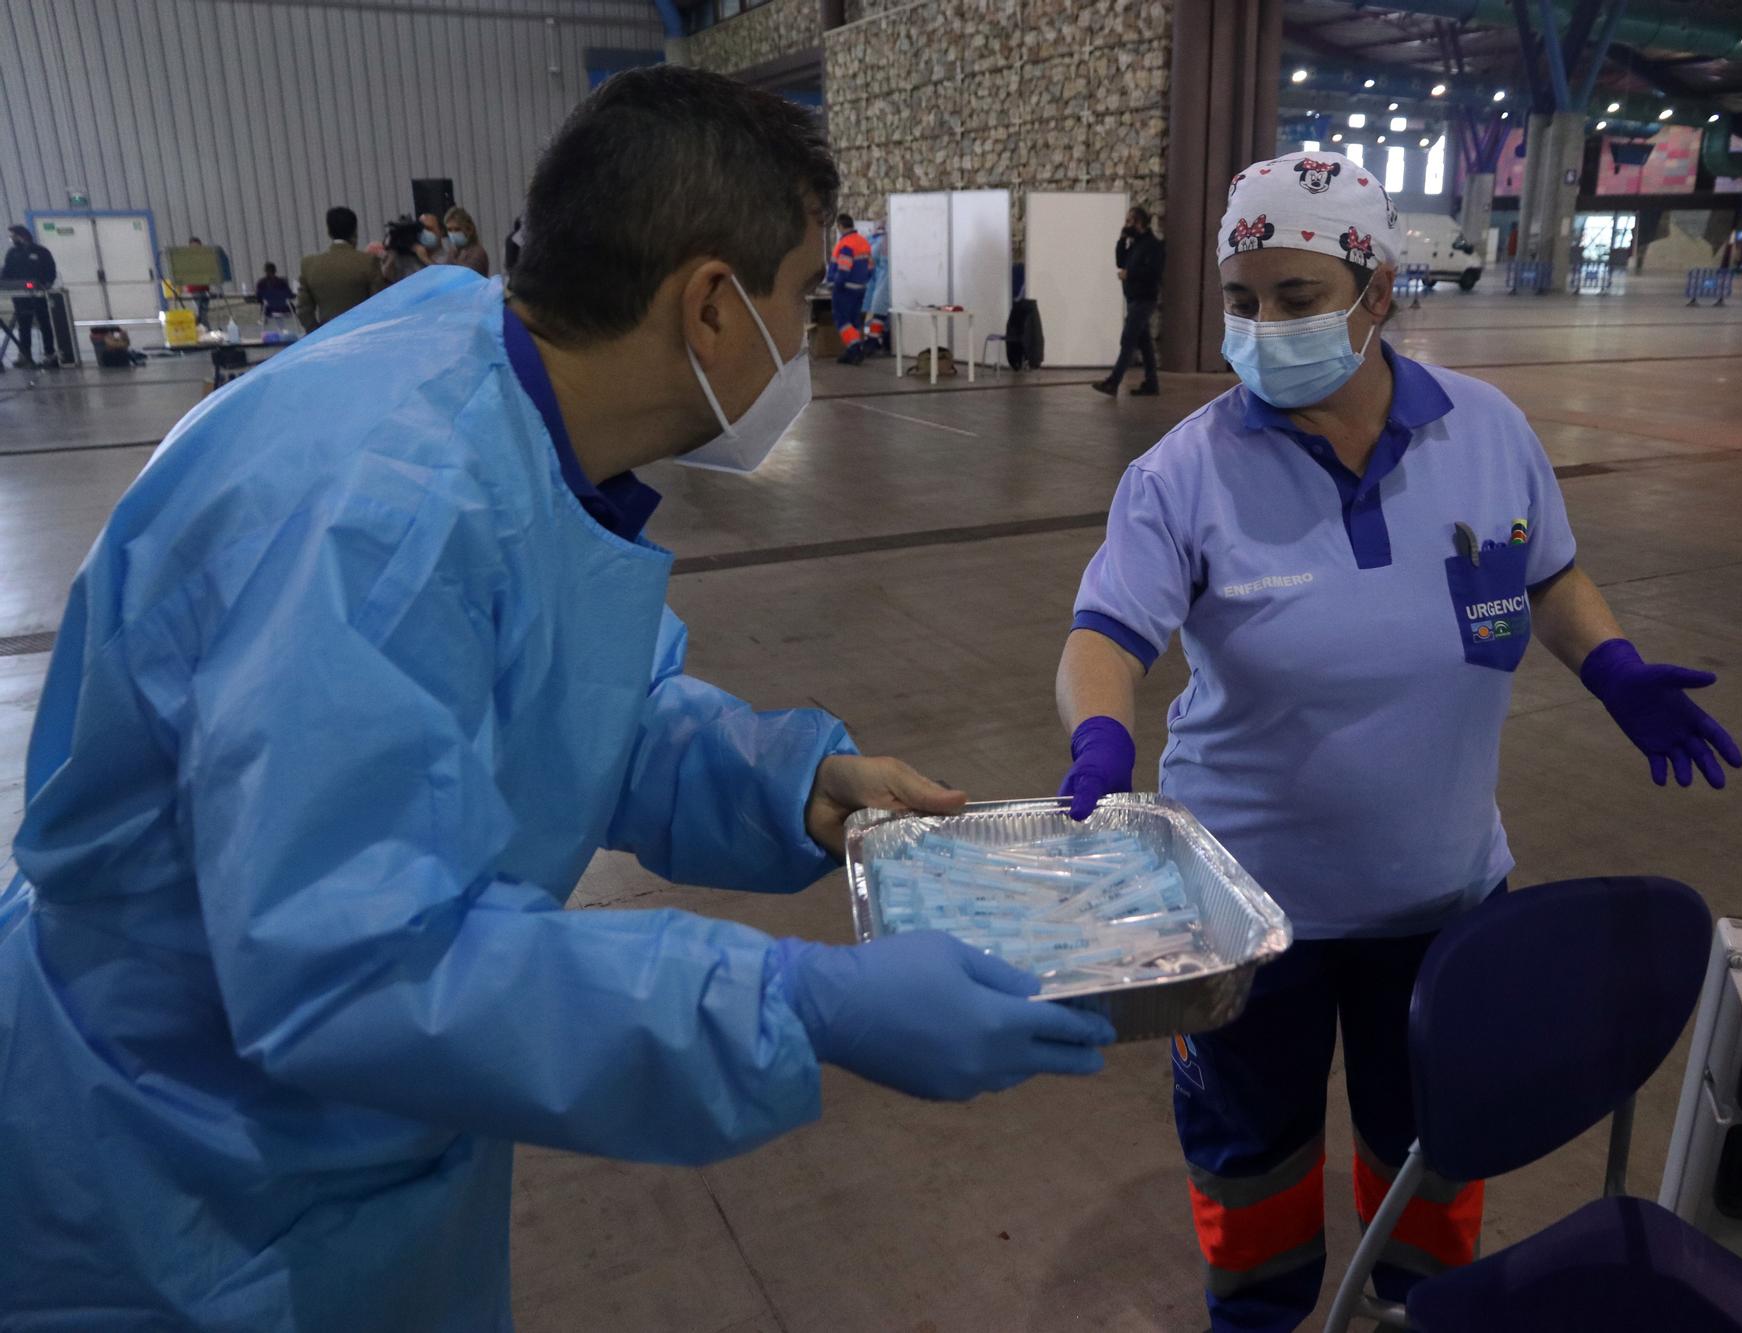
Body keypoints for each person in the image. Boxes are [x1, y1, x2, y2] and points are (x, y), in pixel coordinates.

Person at [0, 65, 1116, 1331]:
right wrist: (794, 1005)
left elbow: (561, 701)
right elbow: (355, 972)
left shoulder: (485, 383)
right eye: (800, 298)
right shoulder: (379, 521)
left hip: (344, 1148)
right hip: (190, 1182)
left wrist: (786, 781)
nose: (807, 337)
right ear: (708, 305)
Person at [1054, 153, 1742, 1332]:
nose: (1261, 327)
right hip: (1243, 916)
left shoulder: (1487, 430)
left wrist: (1612, 663)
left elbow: (1547, 571)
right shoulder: (1185, 472)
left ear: (1377, 292)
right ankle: (1259, 1318)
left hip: (1440, 897)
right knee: (1250, 1151)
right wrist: (1101, 738)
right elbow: (1102, 636)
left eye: (1296, 296)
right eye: (1241, 298)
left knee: (1430, 1143)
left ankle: (1414, 1312)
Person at [1093, 206, 1164, 397]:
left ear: (1139, 222)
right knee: (1145, 344)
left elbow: (1154, 273)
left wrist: (1130, 274)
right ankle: (1152, 384)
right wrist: (1122, 239)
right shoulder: (1135, 244)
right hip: (1133, 299)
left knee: (1128, 339)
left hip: (1144, 300)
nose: (1126, 225)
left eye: (1129, 222)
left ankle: (1113, 382)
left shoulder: (1153, 245)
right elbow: (1120, 261)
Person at [296, 205, 385, 332]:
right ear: (355, 231)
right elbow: (378, 304)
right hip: (362, 334)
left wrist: (316, 332)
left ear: (329, 232)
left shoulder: (309, 264)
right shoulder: (368, 261)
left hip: (328, 337)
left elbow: (303, 309)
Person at [2, 224, 59, 368]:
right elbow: (6, 272)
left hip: (38, 294)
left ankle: (49, 354)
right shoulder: (12, 253)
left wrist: (47, 284)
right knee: (24, 325)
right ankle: (25, 355)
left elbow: (50, 269)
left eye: (13, 236)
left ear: (21, 235)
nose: (12, 239)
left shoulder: (41, 252)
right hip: (20, 295)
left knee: (44, 323)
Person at [827, 212, 873, 364]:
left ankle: (854, 349)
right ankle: (852, 350)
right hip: (860, 288)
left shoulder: (845, 244)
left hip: (845, 289)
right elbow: (871, 268)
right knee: (854, 321)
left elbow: (843, 269)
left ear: (840, 226)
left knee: (842, 319)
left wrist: (835, 285)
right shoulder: (863, 242)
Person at [379, 215, 431, 285]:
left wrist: (425, 259)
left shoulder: (423, 254)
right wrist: (390, 259)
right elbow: (385, 280)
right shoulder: (392, 257)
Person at [443, 205, 491, 277]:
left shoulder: (477, 252)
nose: (453, 234)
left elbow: (465, 276)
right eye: (449, 230)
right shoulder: (453, 252)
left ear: (469, 230)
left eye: (457, 229)